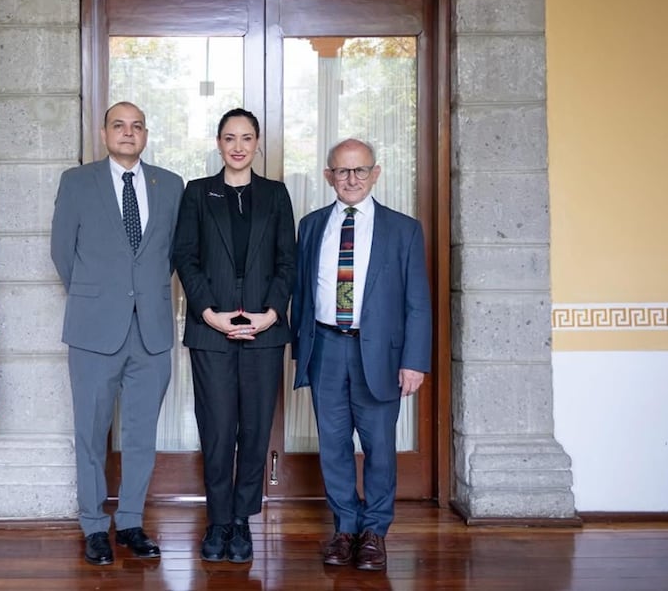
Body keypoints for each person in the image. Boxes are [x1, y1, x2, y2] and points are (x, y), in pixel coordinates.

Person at [50, 101, 184, 566]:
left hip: (151, 331)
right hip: (93, 331)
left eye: (137, 126)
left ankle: (129, 521)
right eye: (119, 125)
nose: (128, 133)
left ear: (146, 135)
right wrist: (98, 297)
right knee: (90, 432)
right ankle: (93, 525)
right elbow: (62, 251)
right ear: (104, 132)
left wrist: (138, 295)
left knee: (141, 433)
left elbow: (169, 255)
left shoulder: (170, 185)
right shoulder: (77, 182)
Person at [291, 138, 432, 571]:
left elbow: (417, 302)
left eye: (359, 170)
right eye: (341, 171)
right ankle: (345, 528)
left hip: (381, 356)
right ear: (328, 176)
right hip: (326, 347)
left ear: (375, 173)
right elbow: (301, 288)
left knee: (379, 450)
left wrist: (415, 360)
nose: (350, 179)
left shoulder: (403, 229)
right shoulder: (312, 225)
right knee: (333, 446)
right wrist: (301, 349)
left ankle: (374, 532)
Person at [172, 108, 296, 563]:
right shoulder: (197, 193)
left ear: (258, 143)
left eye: (246, 138)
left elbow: (288, 261)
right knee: (219, 429)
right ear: (219, 143)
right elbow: (186, 257)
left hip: (264, 330)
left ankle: (243, 520)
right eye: (230, 137)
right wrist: (208, 313)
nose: (238, 146)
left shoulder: (276, 194)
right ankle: (218, 520)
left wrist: (270, 314)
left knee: (256, 429)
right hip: (211, 331)